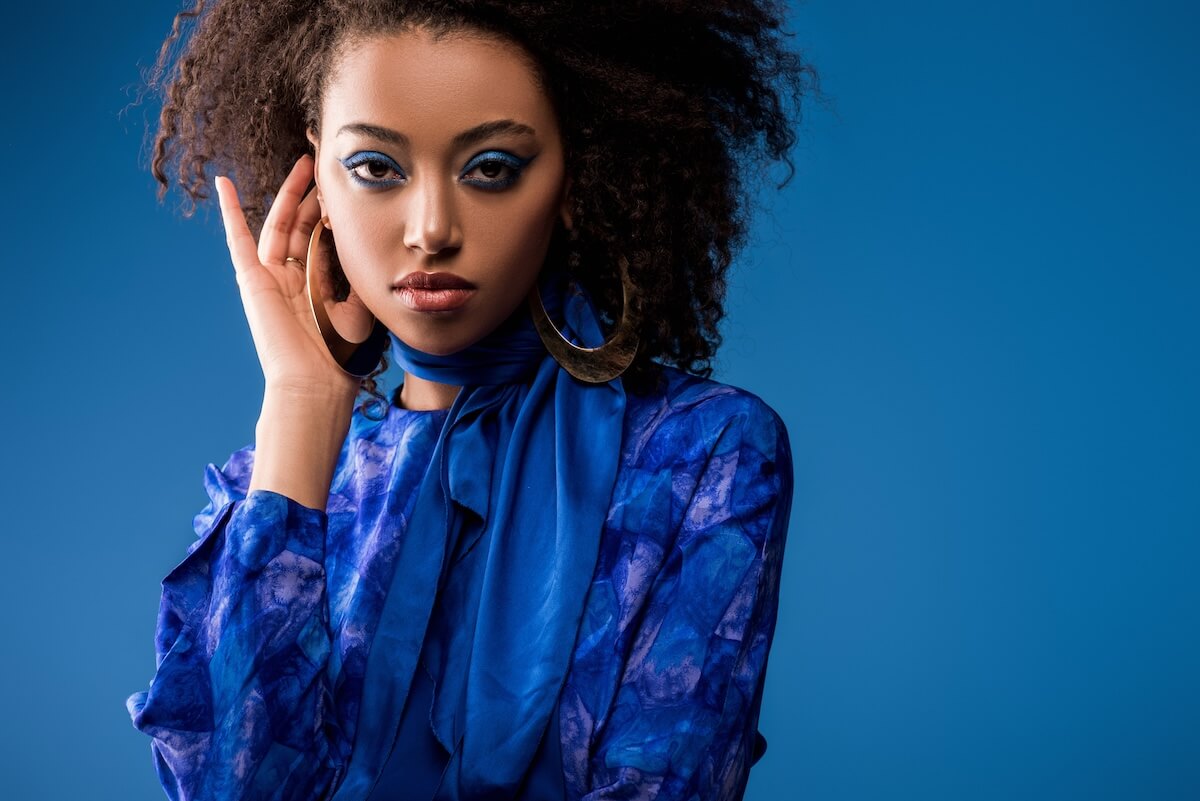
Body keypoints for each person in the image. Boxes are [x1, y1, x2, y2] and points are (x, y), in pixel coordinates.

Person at [126, 1, 812, 799]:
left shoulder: (704, 456)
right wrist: (303, 401)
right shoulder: (274, 493)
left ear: (571, 178)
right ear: (315, 174)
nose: (430, 229)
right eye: (376, 168)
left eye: (490, 167)